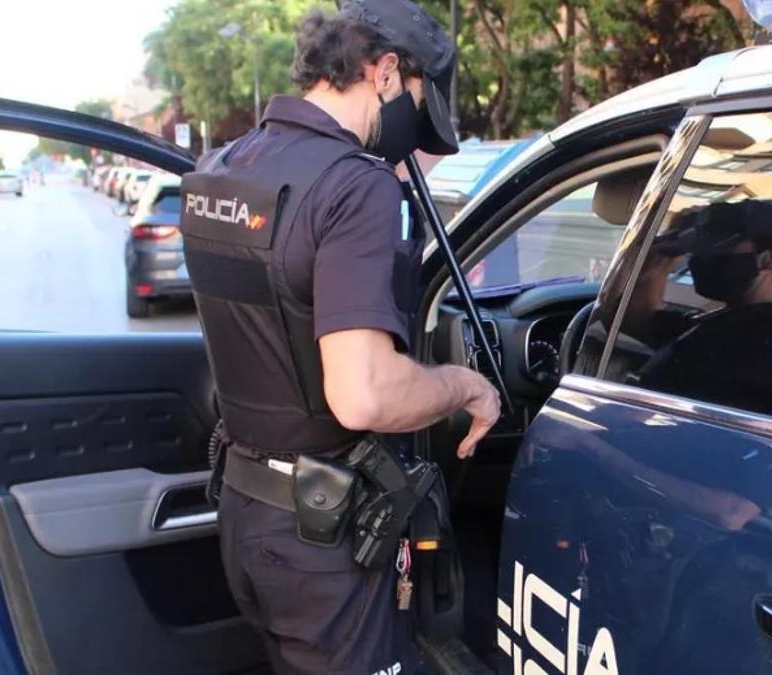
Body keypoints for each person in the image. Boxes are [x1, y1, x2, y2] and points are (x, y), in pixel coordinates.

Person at [178, 2, 499, 673]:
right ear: (384, 73)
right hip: (325, 541)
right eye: (417, 103)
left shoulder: (221, 169)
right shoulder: (355, 187)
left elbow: (278, 311)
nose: (417, 133)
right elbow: (364, 394)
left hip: (246, 515)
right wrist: (464, 384)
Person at [624, 200, 772, 422]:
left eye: (720, 244)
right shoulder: (729, 325)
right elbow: (637, 320)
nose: (702, 257)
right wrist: (660, 259)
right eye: (699, 246)